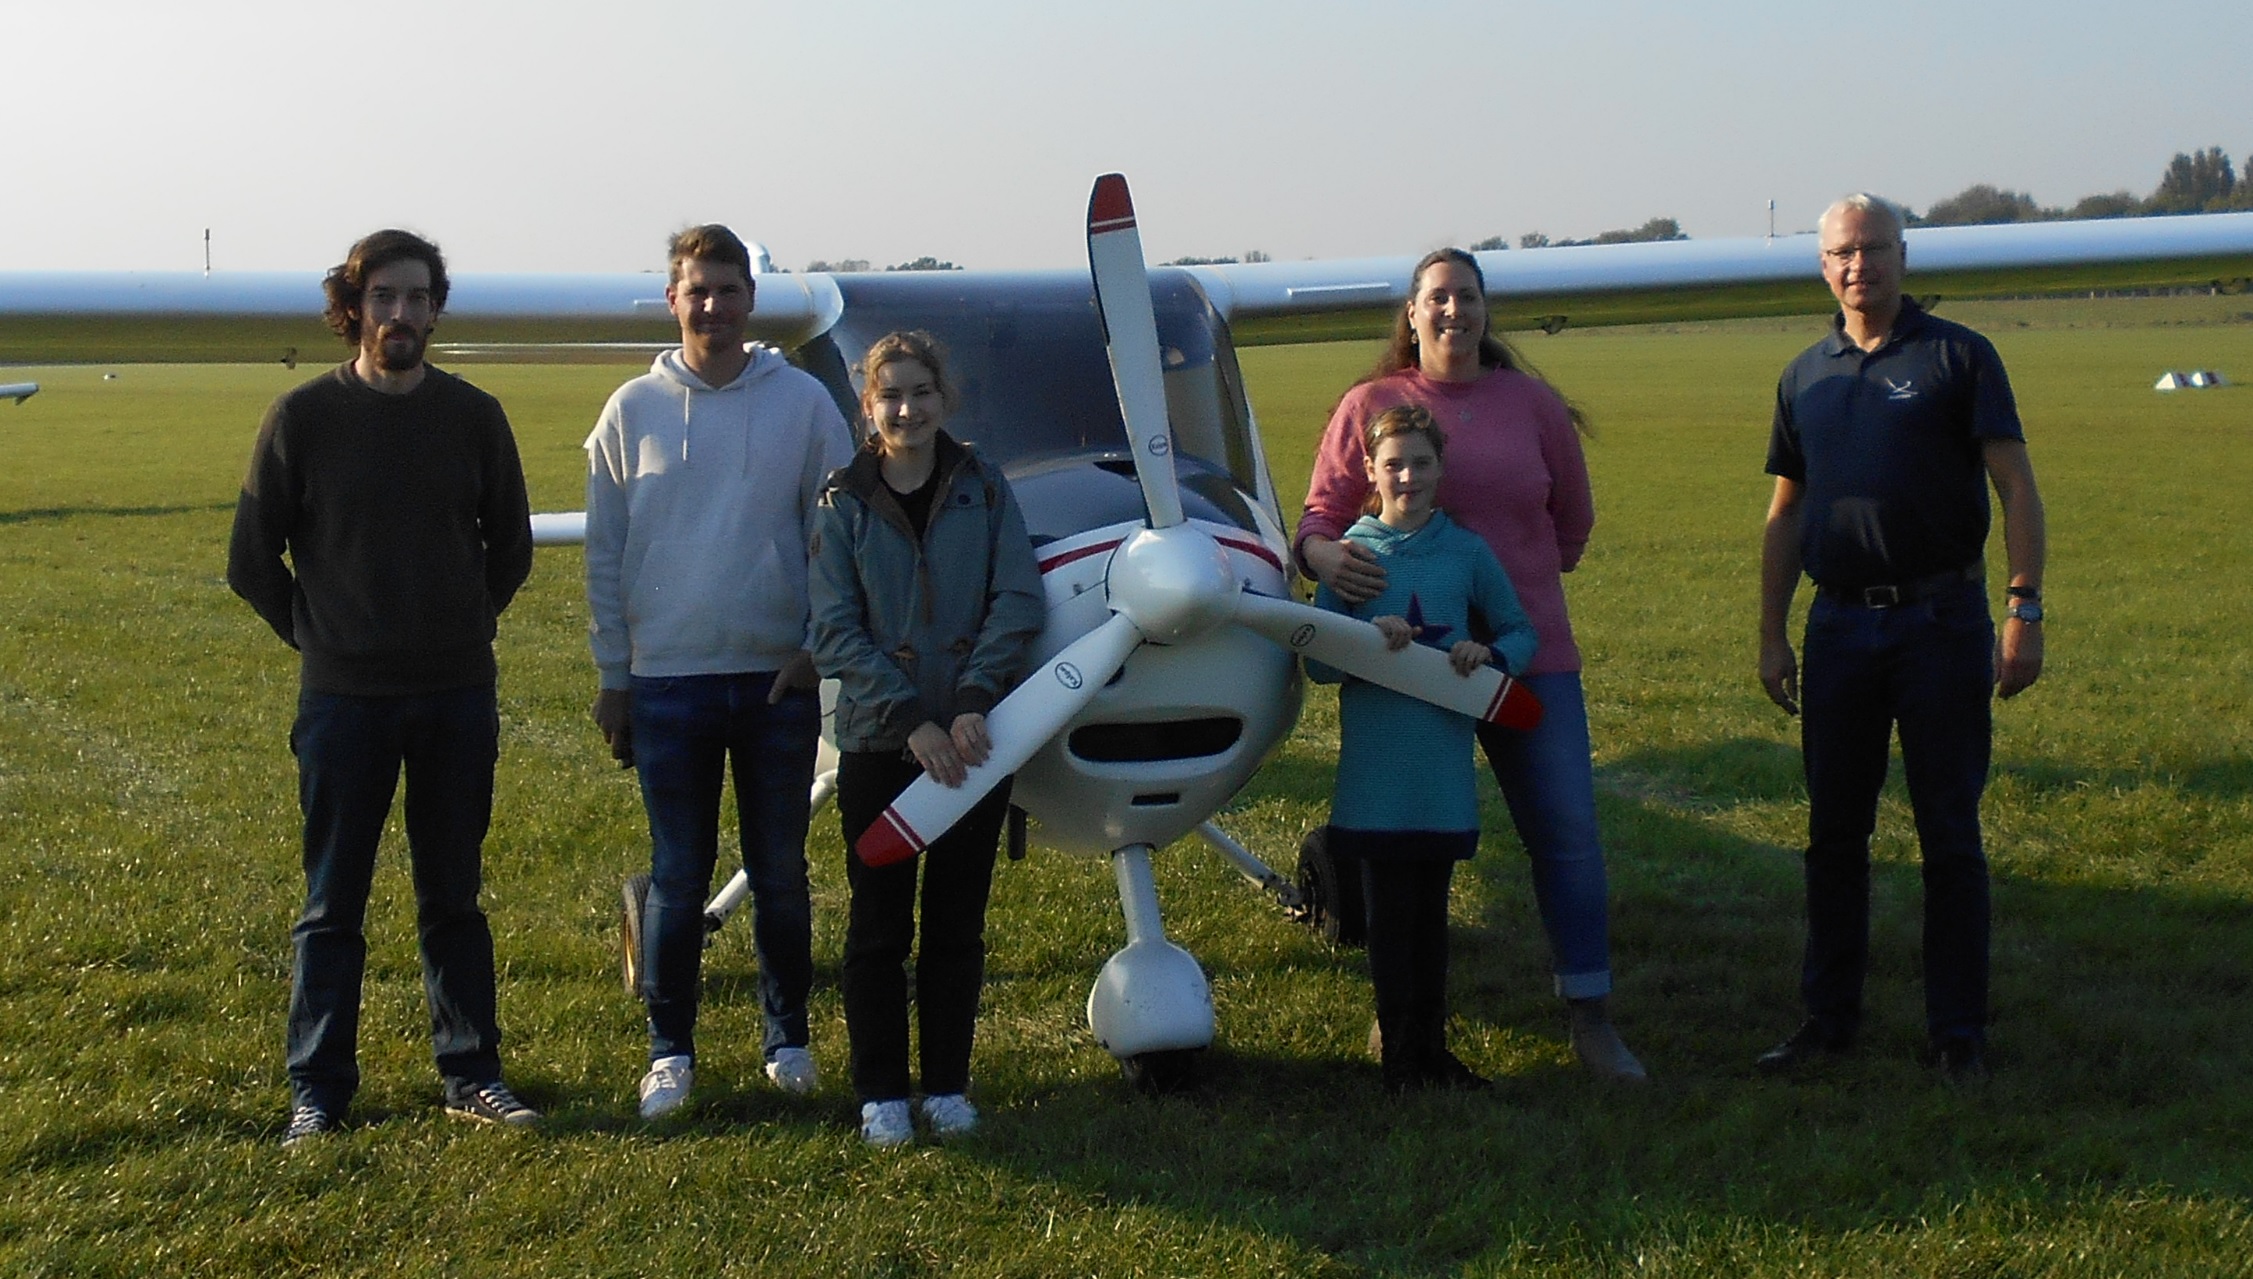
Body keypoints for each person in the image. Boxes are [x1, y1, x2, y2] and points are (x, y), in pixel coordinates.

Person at [1297, 247, 1647, 1082]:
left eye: (1467, 296)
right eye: (1436, 299)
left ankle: (1589, 1013)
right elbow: (1320, 518)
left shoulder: (1531, 404)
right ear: (1410, 314)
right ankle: (1406, 1019)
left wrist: (1504, 597)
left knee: (1564, 832)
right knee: (1406, 842)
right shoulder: (1370, 404)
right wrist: (1326, 562)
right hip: (1407, 675)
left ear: (1486, 309)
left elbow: (1573, 524)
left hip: (1529, 661)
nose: (1453, 311)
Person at [227, 229, 539, 1146]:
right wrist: (324, 639)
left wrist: (462, 625)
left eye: (416, 298)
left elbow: (510, 548)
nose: (399, 315)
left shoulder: (475, 415)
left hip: (454, 696)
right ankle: (318, 1090)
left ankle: (471, 1071)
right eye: (382, 297)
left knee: (454, 894)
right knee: (333, 903)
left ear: (435, 310)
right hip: (343, 704)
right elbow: (253, 561)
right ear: (353, 308)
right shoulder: (301, 417)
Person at [1756, 194, 2046, 1080]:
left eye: (1874, 249)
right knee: (1831, 835)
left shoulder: (1959, 355)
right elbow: (1784, 513)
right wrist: (1771, 632)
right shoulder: (1804, 374)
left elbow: (2015, 486)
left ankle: (1956, 1030)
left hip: (1940, 622)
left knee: (1947, 834)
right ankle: (1827, 1018)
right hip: (1839, 624)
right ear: (1822, 266)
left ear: (1902, 255)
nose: (1858, 266)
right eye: (1842, 252)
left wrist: (2022, 608)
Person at [583, 224, 854, 1120]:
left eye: (727, 288)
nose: (712, 305)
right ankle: (670, 1050)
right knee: (678, 872)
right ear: (673, 301)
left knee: (778, 867)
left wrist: (817, 644)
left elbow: (837, 537)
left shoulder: (805, 405)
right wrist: (614, 673)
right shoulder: (630, 410)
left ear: (750, 298)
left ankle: (789, 1038)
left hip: (777, 681)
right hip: (668, 682)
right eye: (695, 289)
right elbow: (607, 554)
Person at [809, 331, 1044, 1147]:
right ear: (867, 407)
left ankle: (945, 1083)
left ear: (944, 398)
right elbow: (834, 631)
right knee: (877, 925)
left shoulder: (985, 486)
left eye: (920, 391)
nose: (906, 408)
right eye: (889, 395)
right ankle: (879, 1091)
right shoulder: (841, 501)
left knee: (956, 922)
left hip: (977, 741)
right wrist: (913, 721)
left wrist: (976, 699)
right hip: (881, 742)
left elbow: (1016, 595)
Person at [1308, 405, 1538, 1091]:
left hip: (1438, 774)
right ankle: (1399, 1058)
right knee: (1385, 920)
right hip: (1375, 778)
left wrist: (1485, 651)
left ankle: (1429, 1049)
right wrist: (1363, 641)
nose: (1407, 476)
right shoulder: (1351, 555)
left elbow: (1520, 632)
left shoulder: (1465, 552)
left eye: (1421, 462)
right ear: (1370, 472)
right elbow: (1318, 664)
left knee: (1429, 916)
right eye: (1393, 464)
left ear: (1440, 469)